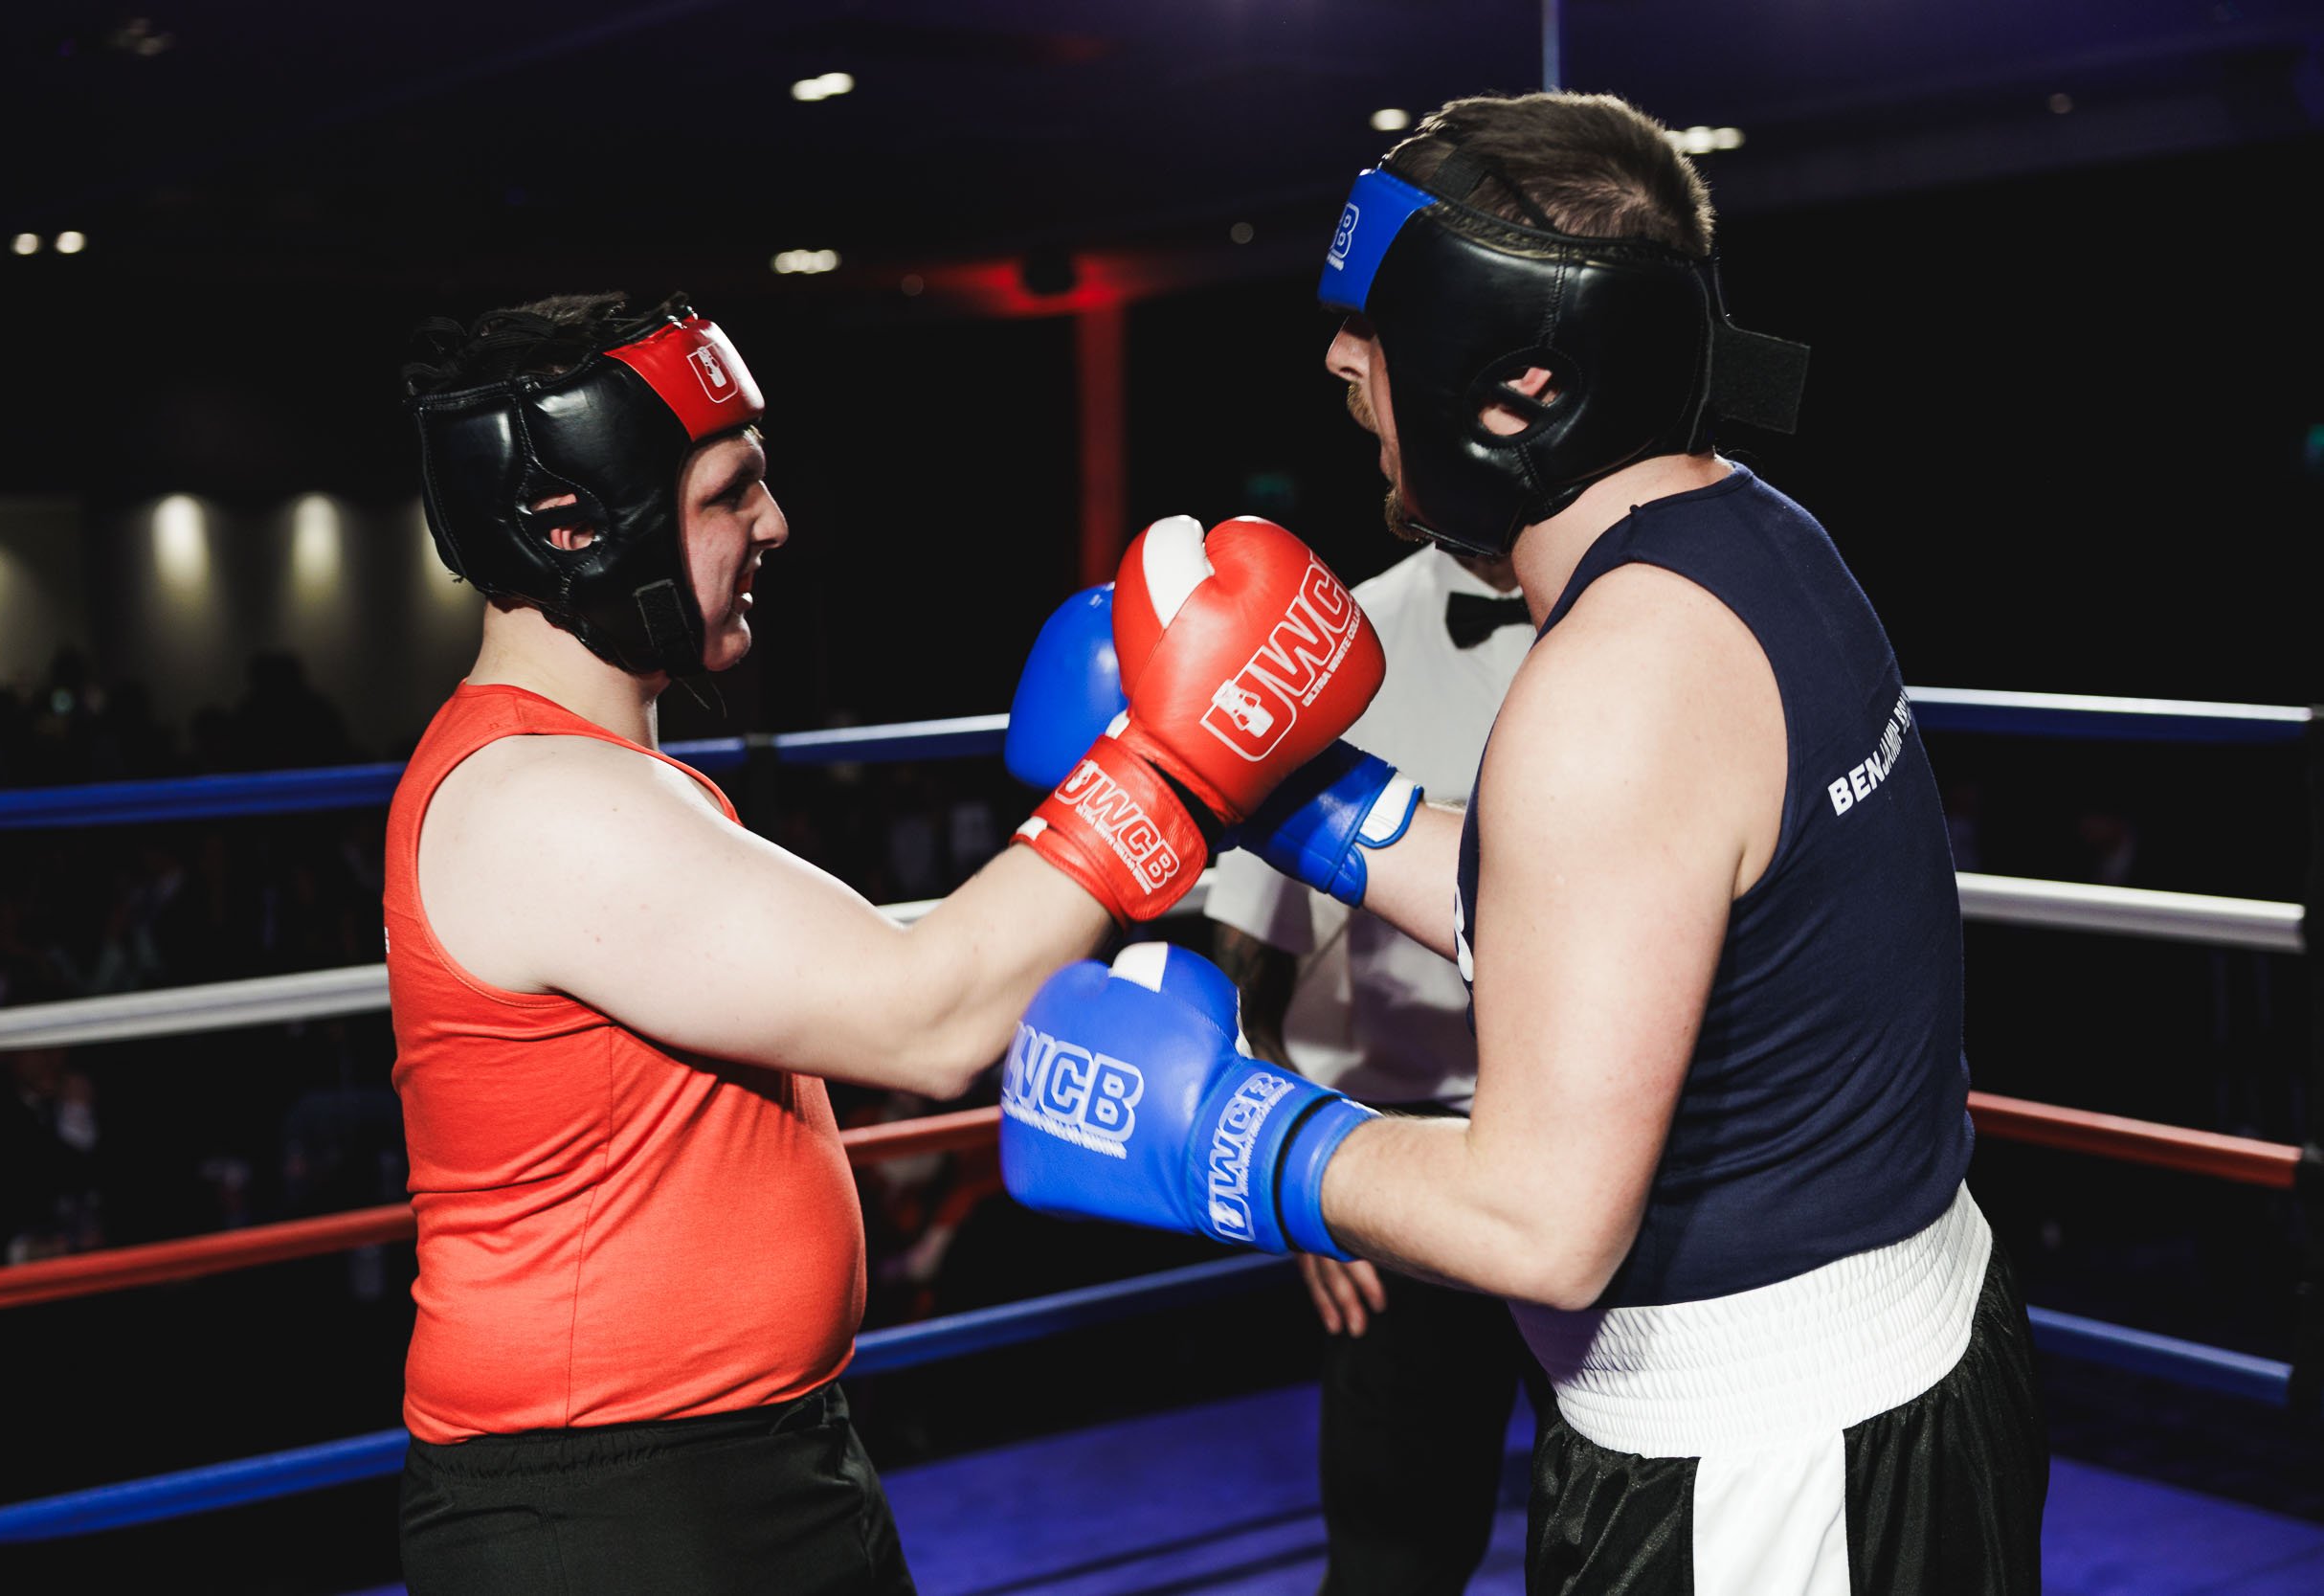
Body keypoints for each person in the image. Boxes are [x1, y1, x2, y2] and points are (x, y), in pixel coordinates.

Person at [999, 93, 2047, 1593]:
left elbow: (1542, 1225)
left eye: (1372, 322)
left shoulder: (1608, 681)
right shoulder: (1752, 534)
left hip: (1760, 1453)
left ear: (1514, 385)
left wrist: (1221, 1130)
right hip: (1887, 1353)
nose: (1339, 362)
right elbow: (1599, 914)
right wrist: (1279, 785)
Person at [386, 291, 1381, 1594]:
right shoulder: (532, 802)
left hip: (743, 1459)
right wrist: (1177, 763)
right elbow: (926, 1017)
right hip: (614, 1505)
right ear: (575, 524)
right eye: (729, 491)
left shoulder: (604, 778)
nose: (774, 523)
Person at [1204, 542, 1536, 1596]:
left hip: (1628, 1148)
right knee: (1394, 1559)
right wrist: (1290, 1163)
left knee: (1634, 1544)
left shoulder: (1650, 619)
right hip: (1398, 1163)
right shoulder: (1333, 640)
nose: (1345, 368)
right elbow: (1243, 955)